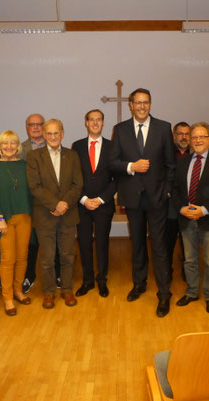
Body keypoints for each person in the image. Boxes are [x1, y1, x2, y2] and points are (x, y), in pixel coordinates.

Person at [109, 88, 175, 318]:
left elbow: (171, 165)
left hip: (157, 198)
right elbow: (113, 163)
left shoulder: (164, 128)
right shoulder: (120, 130)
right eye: (138, 102)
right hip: (133, 198)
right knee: (137, 243)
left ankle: (164, 293)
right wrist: (131, 166)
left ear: (150, 104)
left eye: (146, 102)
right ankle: (139, 284)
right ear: (131, 105)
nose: (142, 106)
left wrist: (166, 192)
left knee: (159, 246)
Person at [173, 122, 209, 314]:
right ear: (190, 140)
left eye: (202, 137)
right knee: (189, 260)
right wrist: (182, 209)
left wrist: (204, 210)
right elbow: (175, 189)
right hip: (187, 218)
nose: (197, 140)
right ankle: (191, 292)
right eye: (194, 137)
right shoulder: (183, 162)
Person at [26, 119, 83, 309]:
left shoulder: (72, 155)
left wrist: (64, 203)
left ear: (62, 134)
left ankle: (67, 289)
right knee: (47, 258)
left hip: (68, 213)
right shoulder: (34, 157)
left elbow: (78, 184)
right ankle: (49, 292)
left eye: (56, 133)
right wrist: (55, 204)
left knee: (67, 256)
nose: (52, 137)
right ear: (43, 135)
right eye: (49, 133)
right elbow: (34, 186)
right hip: (45, 214)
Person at [0, 130, 32, 316]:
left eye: (13, 143)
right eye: (5, 143)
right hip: (4, 220)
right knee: (7, 259)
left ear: (18, 146)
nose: (9, 147)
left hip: (25, 218)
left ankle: (18, 291)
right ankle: (7, 297)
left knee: (22, 257)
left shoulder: (25, 165)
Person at [72, 110, 116, 298]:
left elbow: (117, 179)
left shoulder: (113, 147)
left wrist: (100, 199)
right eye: (92, 119)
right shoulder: (77, 146)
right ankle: (88, 280)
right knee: (84, 243)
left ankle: (102, 280)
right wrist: (83, 199)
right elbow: (73, 177)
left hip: (103, 205)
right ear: (86, 122)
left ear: (103, 123)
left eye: (99, 119)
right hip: (82, 205)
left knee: (102, 243)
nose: (95, 123)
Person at [20, 113, 61, 294]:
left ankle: (58, 274)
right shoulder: (18, 149)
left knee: (56, 239)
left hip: (54, 203)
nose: (36, 127)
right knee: (31, 241)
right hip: (29, 203)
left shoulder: (56, 146)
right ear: (27, 127)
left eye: (39, 124)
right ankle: (29, 275)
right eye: (32, 124)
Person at [167, 122, 191, 280]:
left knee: (188, 243)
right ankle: (166, 271)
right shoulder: (166, 154)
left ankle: (187, 272)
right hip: (170, 206)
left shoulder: (196, 153)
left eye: (187, 134)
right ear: (174, 136)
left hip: (190, 205)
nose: (184, 137)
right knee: (168, 242)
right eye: (180, 134)